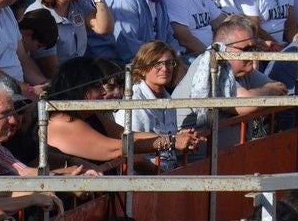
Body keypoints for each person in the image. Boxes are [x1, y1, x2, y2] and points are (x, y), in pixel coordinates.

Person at [46, 55, 200, 171]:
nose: (103, 92)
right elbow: (115, 148)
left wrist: (174, 137)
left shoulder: (91, 114)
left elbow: (126, 135)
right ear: (80, 89)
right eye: (97, 86)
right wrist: (171, 142)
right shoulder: (61, 121)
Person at [172, 16, 287, 130]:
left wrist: (265, 92)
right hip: (191, 138)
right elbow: (247, 103)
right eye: (247, 49)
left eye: (254, 48)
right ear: (224, 49)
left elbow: (280, 88)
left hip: (220, 138)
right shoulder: (209, 64)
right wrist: (268, 91)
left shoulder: (244, 70)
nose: (252, 54)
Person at [25, 0, 111, 76]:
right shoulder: (38, 14)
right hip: (60, 80)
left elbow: (103, 28)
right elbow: (52, 70)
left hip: (78, 73)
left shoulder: (77, 2)